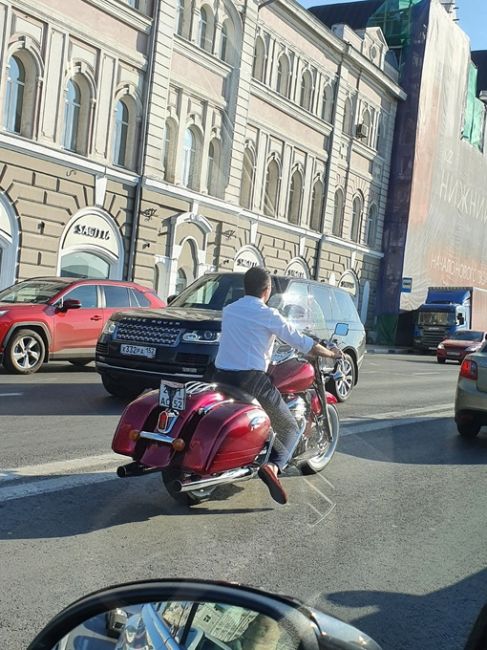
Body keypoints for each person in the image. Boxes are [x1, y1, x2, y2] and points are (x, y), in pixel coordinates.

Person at [213, 267, 342, 505]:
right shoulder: (268, 314)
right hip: (250, 379)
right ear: (267, 289)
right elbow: (304, 344)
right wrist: (331, 354)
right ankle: (273, 465)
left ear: (245, 286)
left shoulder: (230, 309)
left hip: (220, 375)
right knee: (290, 427)